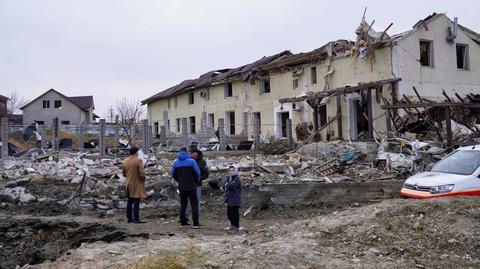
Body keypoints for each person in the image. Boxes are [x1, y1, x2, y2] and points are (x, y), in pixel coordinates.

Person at [171, 146, 202, 228]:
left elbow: (173, 174)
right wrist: (195, 182)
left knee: (183, 204)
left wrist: (179, 180)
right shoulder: (192, 162)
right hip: (192, 186)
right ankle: (195, 223)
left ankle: (183, 222)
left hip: (182, 187)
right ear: (187, 152)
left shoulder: (176, 162)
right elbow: (198, 173)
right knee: (194, 204)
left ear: (179, 152)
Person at [122, 147, 147, 223]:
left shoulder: (125, 161)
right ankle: (136, 219)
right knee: (136, 200)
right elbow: (142, 173)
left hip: (128, 183)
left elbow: (124, 174)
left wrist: (129, 177)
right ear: (136, 152)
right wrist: (143, 179)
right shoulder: (139, 160)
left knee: (130, 201)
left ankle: (129, 218)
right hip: (137, 183)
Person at [185, 147, 209, 222]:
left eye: (191, 153)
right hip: (188, 185)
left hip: (197, 185)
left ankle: (196, 219)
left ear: (195, 153)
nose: (189, 154)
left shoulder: (201, 162)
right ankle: (185, 217)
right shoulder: (188, 161)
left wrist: (200, 178)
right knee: (187, 202)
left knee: (196, 202)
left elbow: (206, 173)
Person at [224, 165, 241, 234]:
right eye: (230, 170)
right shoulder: (229, 178)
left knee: (234, 214)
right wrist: (226, 184)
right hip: (229, 199)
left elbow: (231, 186)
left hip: (235, 199)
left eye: (232, 170)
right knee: (229, 214)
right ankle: (232, 226)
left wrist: (227, 184)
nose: (231, 172)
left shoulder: (236, 179)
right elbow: (224, 184)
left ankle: (235, 227)